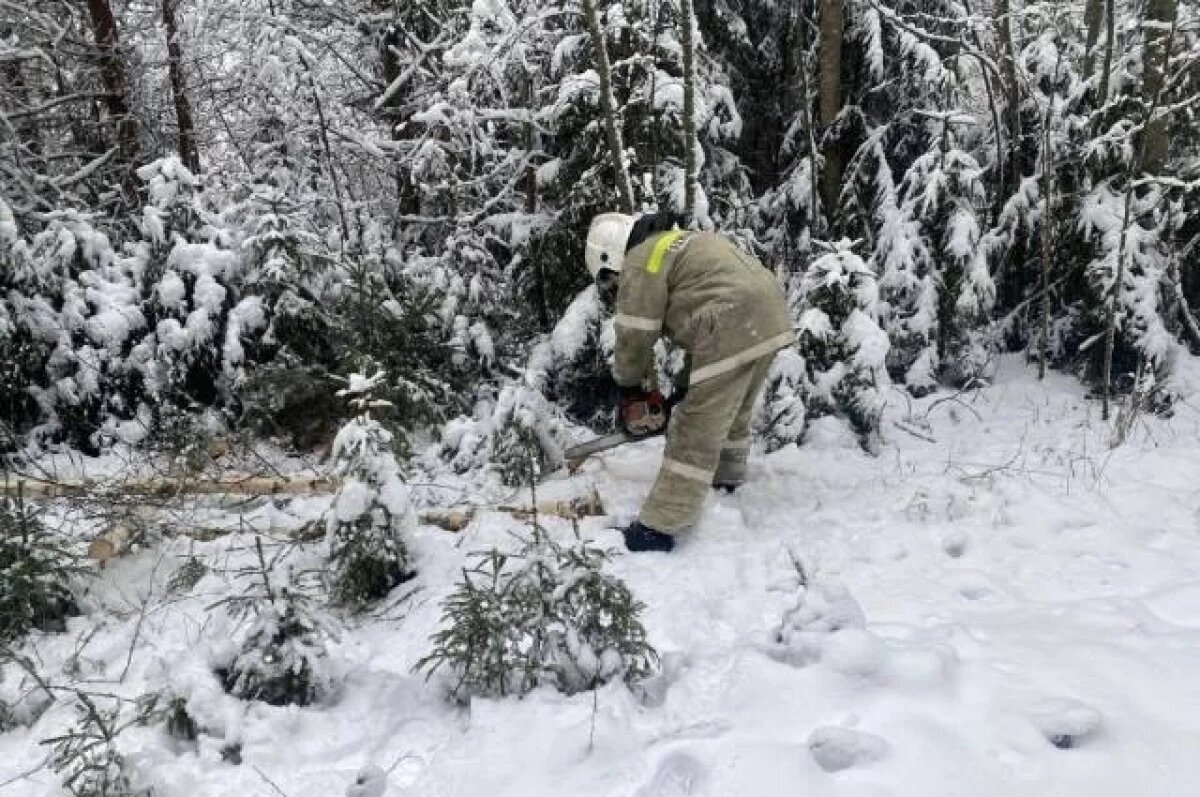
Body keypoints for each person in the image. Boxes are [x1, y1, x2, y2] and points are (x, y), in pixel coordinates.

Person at [585, 211, 794, 553]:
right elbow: (706, 319)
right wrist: (682, 388)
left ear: (611, 255)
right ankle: (724, 478)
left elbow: (635, 332)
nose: (615, 287)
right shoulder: (678, 242)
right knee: (733, 409)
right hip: (768, 312)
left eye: (611, 279)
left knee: (694, 427)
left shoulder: (641, 258)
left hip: (729, 318)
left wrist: (628, 388)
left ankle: (659, 527)